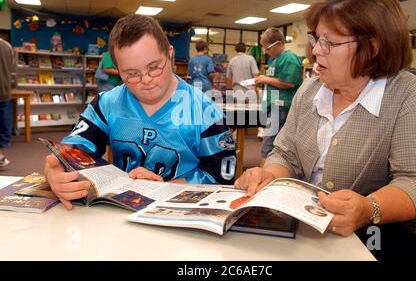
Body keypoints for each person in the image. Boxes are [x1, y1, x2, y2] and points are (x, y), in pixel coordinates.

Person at [235, 0, 416, 237]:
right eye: (317, 39)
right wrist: (269, 175)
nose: (315, 51)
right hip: (300, 232)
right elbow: (285, 154)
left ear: (373, 47)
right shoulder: (309, 90)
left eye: (330, 43)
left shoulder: (408, 96)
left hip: (368, 242)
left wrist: (369, 208)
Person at [45, 14, 237, 210]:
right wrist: (55, 172)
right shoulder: (107, 104)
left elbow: (222, 178)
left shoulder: (205, 112)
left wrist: (163, 188)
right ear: (117, 71)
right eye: (132, 74)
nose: (146, 80)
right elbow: (73, 153)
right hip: (120, 214)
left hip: (180, 214)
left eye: (154, 67)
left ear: (170, 55)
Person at [255, 28, 302, 165]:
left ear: (279, 43)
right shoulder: (277, 59)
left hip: (280, 106)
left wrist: (266, 79)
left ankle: (263, 179)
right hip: (273, 106)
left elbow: (289, 82)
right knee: (271, 144)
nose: (266, 52)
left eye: (268, 48)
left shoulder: (289, 58)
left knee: (268, 145)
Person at [0, 38, 15, 168]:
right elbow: (13, 67)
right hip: (4, 88)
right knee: (4, 116)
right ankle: (4, 142)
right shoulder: (7, 46)